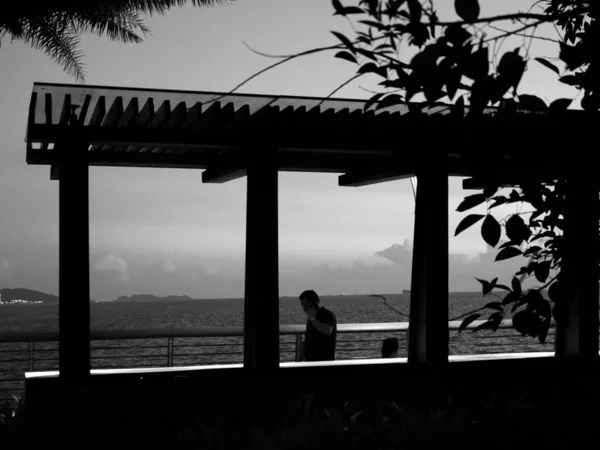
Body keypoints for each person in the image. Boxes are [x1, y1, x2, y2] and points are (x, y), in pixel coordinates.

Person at [298, 290, 337, 362]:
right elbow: (308, 339)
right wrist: (299, 360)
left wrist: (313, 320)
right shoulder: (311, 318)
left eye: (305, 305)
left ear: (312, 304)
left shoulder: (328, 315)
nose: (304, 308)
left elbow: (327, 331)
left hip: (324, 360)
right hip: (309, 360)